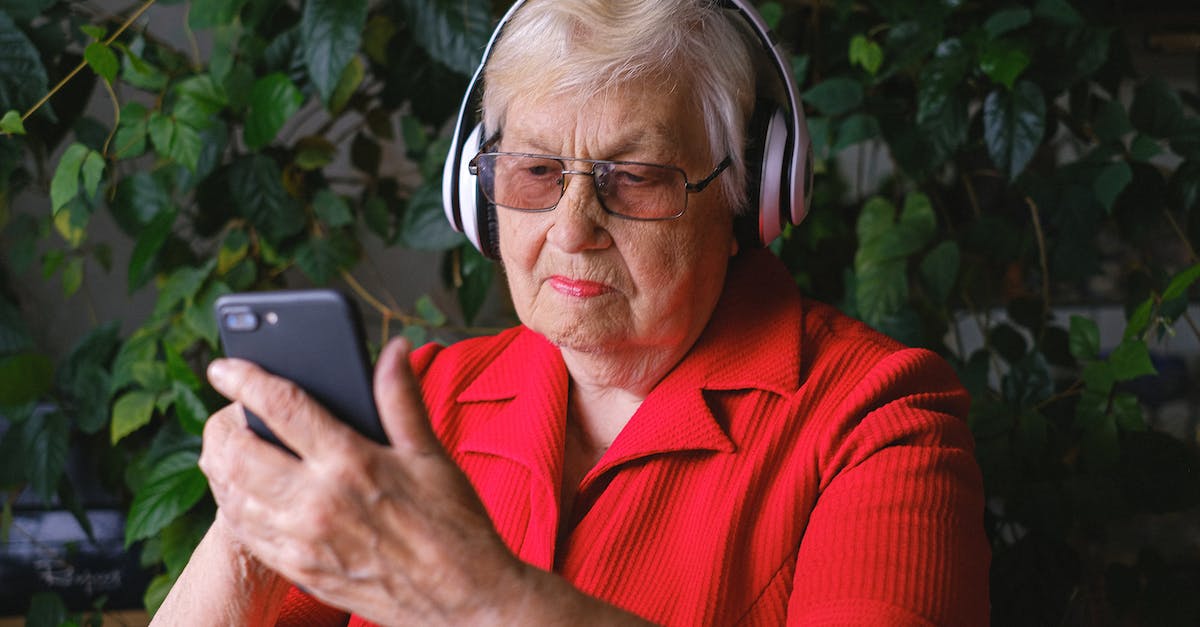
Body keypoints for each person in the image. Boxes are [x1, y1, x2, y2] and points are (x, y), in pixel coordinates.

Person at [156, 0, 990, 625]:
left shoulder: (879, 420)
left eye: (637, 178)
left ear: (744, 204)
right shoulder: (424, 399)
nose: (572, 228)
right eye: (533, 172)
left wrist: (480, 596)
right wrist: (247, 525)